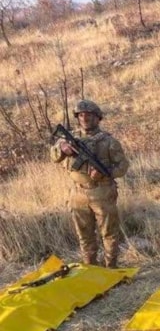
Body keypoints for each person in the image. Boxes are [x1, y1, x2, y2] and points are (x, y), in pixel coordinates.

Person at [50, 100, 130, 268]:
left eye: (89, 115)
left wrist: (104, 172)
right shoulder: (69, 139)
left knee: (109, 233)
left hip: (102, 192)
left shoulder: (108, 141)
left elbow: (122, 167)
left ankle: (111, 268)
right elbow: (54, 156)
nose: (84, 118)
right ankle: (90, 267)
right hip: (78, 193)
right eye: (81, 115)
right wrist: (62, 149)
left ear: (97, 118)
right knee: (84, 234)